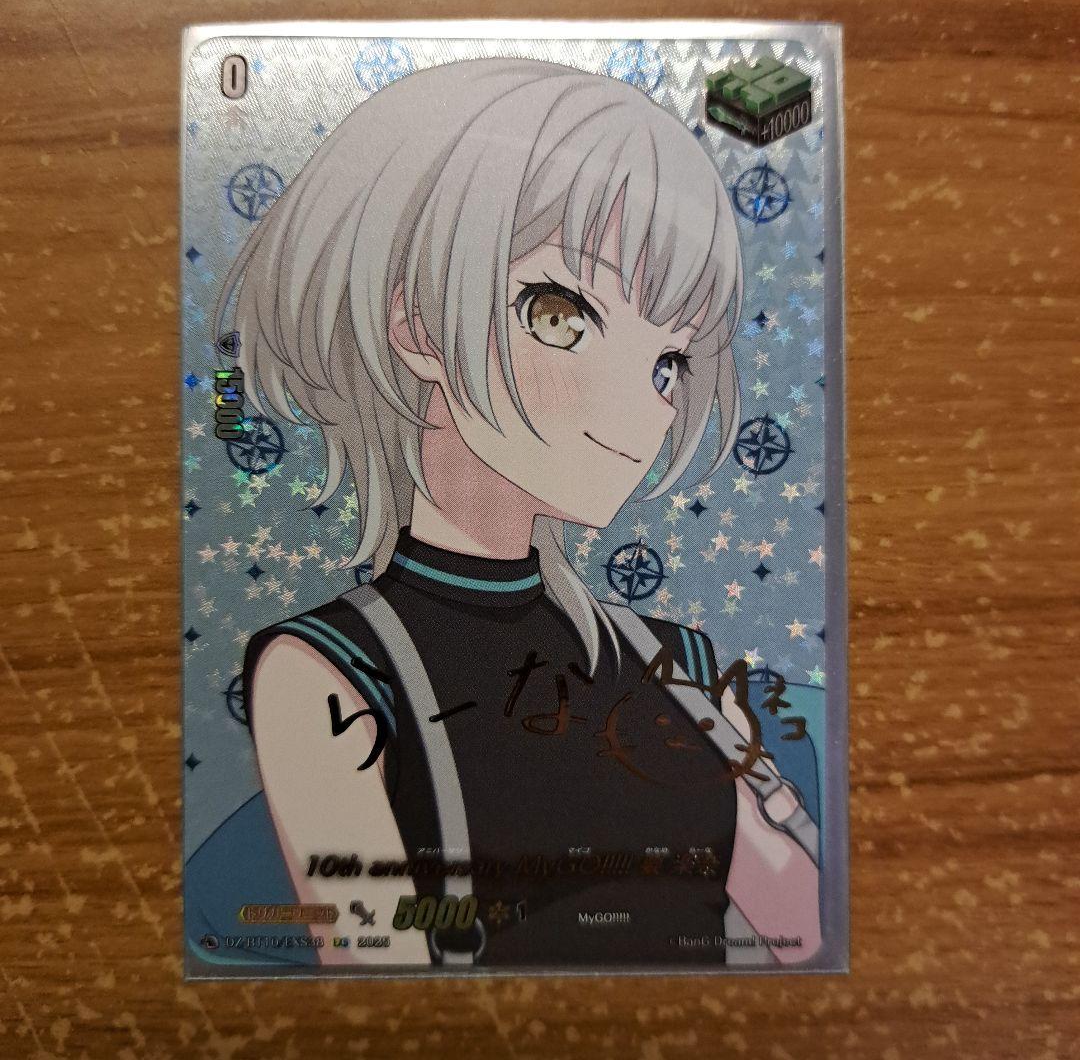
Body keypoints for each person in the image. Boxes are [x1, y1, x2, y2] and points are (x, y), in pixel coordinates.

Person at [209, 56, 820, 968]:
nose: (642, 414)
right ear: (417, 326)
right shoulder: (328, 671)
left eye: (668, 364)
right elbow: (381, 979)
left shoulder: (677, 663)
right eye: (561, 315)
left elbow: (802, 934)